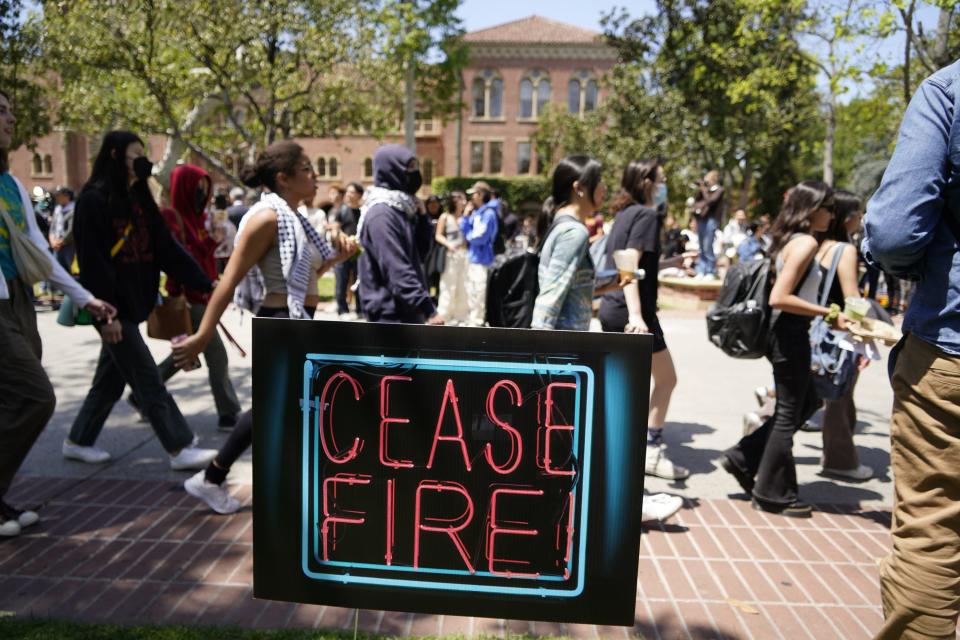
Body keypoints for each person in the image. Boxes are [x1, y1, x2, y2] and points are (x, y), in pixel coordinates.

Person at [172, 140, 352, 514]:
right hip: (280, 325)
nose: (314, 175)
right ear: (283, 178)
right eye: (306, 169)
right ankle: (214, 479)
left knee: (282, 409)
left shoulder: (294, 217)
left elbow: (302, 279)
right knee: (275, 409)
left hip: (296, 321)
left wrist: (336, 259)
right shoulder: (267, 218)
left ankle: (222, 479)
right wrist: (204, 334)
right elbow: (228, 280)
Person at [863, 60, 960, 639]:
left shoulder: (947, 91)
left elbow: (896, 231)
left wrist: (914, 271)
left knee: (932, 533)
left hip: (949, 353)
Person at [532, 154, 682, 523]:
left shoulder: (563, 227)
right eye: (598, 182)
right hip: (564, 355)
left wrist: (613, 282)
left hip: (566, 353)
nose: (604, 189)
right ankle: (627, 504)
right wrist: (542, 363)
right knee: (590, 433)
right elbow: (549, 300)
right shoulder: (573, 231)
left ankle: (619, 503)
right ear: (579, 188)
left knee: (581, 437)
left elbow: (574, 288)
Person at [63, 132, 219, 470]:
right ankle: (179, 446)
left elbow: (167, 250)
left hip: (135, 303)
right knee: (147, 376)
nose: (144, 161)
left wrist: (205, 283)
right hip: (112, 309)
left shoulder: (139, 198)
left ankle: (78, 440)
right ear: (117, 156)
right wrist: (106, 317)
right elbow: (93, 264)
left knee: (110, 379)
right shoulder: (94, 200)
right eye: (137, 154)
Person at [0, 89, 116, 537]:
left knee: (13, 401)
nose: (11, 119)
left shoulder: (11, 185)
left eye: (11, 110)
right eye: (2, 111)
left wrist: (83, 297)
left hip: (18, 299)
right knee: (35, 396)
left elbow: (40, 254)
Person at [721, 181, 849, 517]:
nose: (832, 214)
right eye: (828, 207)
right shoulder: (805, 242)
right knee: (790, 412)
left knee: (806, 401)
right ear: (812, 208)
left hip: (787, 332)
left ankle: (743, 457)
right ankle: (772, 493)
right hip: (789, 333)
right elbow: (781, 296)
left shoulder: (793, 239)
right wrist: (830, 312)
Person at [600, 160, 686, 481]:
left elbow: (635, 263)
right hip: (632, 310)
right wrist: (637, 315)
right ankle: (650, 451)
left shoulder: (625, 214)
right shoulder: (648, 215)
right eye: (661, 180)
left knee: (628, 387)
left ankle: (625, 450)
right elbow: (629, 263)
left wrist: (672, 262)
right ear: (647, 181)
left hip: (613, 307)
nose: (664, 186)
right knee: (666, 380)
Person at [151, 164, 242, 431]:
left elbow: (203, 254)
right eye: (198, 189)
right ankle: (229, 413)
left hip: (204, 294)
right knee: (216, 353)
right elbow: (179, 258)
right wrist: (207, 245)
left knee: (190, 350)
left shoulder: (200, 219)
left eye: (205, 189)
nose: (202, 194)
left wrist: (215, 240)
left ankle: (144, 391)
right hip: (188, 297)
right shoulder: (172, 218)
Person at [813, 189, 872, 482]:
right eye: (859, 213)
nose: (861, 219)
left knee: (811, 395)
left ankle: (761, 419)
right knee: (839, 396)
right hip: (838, 333)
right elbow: (853, 299)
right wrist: (865, 338)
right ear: (848, 217)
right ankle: (840, 460)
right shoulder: (845, 250)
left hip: (814, 329)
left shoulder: (817, 243)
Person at [357, 144, 442, 325]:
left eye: (415, 166)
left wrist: (422, 218)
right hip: (390, 314)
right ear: (392, 170)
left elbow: (420, 253)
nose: (415, 173)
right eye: (409, 167)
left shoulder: (402, 208)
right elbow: (396, 267)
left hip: (405, 310)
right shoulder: (382, 214)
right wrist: (428, 309)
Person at [461, 181, 498, 326]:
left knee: (479, 292)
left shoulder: (488, 214)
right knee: (472, 290)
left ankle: (477, 322)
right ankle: (473, 319)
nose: (471, 197)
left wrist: (468, 235)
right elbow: (468, 229)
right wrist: (465, 217)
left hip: (482, 259)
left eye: (473, 194)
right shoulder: (478, 213)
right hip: (474, 257)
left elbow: (479, 237)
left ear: (481, 195)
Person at [435, 190, 469, 325]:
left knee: (463, 285)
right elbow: (438, 235)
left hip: (464, 255)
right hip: (450, 256)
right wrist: (448, 244)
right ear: (455, 201)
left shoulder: (466, 217)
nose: (464, 202)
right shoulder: (445, 216)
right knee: (448, 285)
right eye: (462, 199)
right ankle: (444, 315)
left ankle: (460, 316)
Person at [333, 182, 363, 318]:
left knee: (360, 281)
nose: (348, 195)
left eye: (352, 192)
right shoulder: (342, 211)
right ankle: (342, 310)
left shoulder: (364, 211)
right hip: (343, 253)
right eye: (347, 192)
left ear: (359, 195)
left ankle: (360, 309)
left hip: (359, 253)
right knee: (342, 280)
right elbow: (335, 230)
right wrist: (344, 238)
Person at [692, 170, 724, 279]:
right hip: (701, 219)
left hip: (711, 219)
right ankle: (701, 269)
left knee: (707, 245)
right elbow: (696, 202)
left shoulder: (719, 190)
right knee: (701, 245)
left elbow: (710, 201)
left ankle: (710, 270)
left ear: (713, 179)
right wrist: (701, 190)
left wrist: (703, 190)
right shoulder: (705, 190)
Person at [49, 187, 77, 275]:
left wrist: (60, 243)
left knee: (69, 269)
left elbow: (71, 231)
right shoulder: (58, 209)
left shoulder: (73, 210)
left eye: (59, 195)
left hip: (68, 246)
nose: (56, 198)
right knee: (56, 269)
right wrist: (52, 240)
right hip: (56, 245)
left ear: (67, 196)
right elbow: (53, 227)